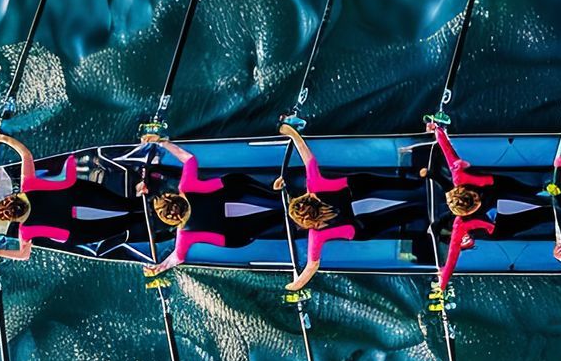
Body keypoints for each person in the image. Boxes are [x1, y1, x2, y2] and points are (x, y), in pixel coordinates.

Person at [275, 122, 424, 291]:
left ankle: (419, 211)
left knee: (400, 217)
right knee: (391, 185)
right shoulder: (314, 186)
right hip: (360, 190)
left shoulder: (316, 236)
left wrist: (294, 286)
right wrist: (291, 133)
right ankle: (417, 181)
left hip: (362, 226)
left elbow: (311, 268)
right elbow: (306, 155)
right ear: (307, 198)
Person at [0, 130, 139, 262]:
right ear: (13, 197)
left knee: (125, 224)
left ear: (14, 219)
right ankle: (141, 203)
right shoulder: (28, 185)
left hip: (77, 232)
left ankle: (141, 220)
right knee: (126, 205)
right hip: (80, 194)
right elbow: (25, 154)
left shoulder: (26, 231)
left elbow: (24, 255)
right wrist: (1, 138)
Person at [139, 138, 276, 275]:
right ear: (173, 197)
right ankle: (273, 192)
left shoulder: (184, 235)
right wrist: (162, 142)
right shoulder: (186, 187)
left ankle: (279, 217)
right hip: (236, 191)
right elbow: (189, 159)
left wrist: (158, 269)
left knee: (248, 231)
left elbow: (178, 258)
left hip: (238, 233)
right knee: (236, 181)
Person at [427, 122, 495, 290]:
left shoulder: (460, 224)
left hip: (487, 206)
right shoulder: (459, 182)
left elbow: (451, 259)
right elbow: (449, 153)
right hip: (487, 198)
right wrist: (438, 131)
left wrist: (442, 283)